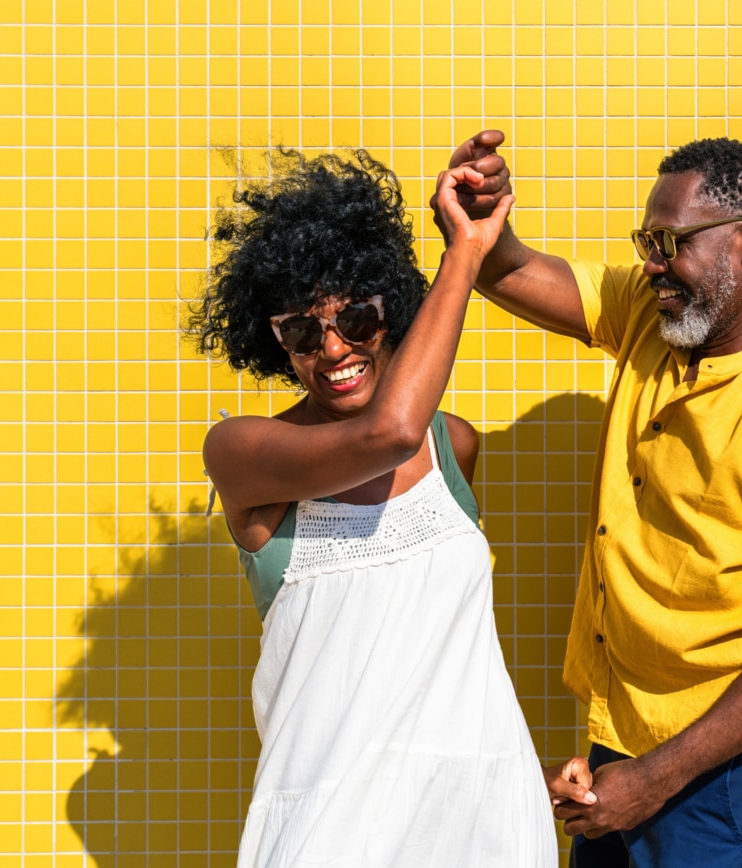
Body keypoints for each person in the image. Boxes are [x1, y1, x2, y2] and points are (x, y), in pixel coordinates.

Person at [434, 130, 742, 867]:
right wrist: (481, 216)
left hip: (725, 771)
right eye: (647, 240)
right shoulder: (656, 317)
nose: (652, 263)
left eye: (670, 242)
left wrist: (655, 778)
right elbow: (506, 270)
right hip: (627, 742)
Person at [189, 148, 556, 867]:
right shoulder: (242, 453)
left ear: (393, 308)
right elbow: (387, 434)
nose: (333, 349)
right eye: (301, 331)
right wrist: (465, 253)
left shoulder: (454, 448)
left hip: (485, 825)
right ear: (274, 343)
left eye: (357, 316)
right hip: (330, 831)